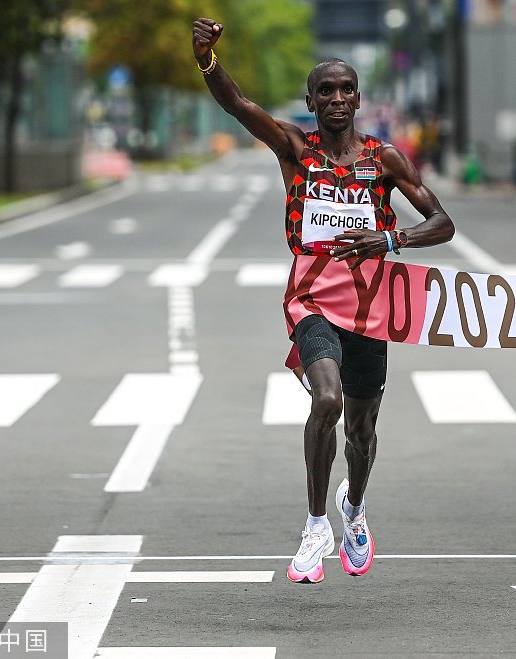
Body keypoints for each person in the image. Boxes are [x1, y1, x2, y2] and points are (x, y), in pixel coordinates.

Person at [192, 17, 455, 583]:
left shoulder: (383, 160)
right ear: (311, 101)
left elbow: (442, 222)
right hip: (311, 299)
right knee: (328, 399)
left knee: (362, 431)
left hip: (372, 307)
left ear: (359, 98)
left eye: (345, 89)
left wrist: (391, 238)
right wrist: (207, 59)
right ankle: (315, 524)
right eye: (325, 91)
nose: (337, 98)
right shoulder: (295, 148)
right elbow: (238, 104)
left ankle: (353, 508)